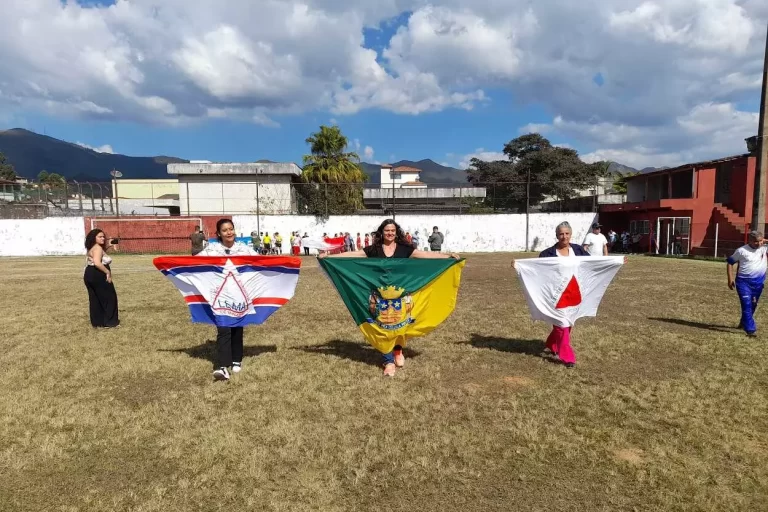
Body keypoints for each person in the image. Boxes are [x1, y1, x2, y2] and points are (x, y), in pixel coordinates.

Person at [319, 219, 460, 377]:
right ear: (382, 232)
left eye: (392, 230)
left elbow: (424, 254)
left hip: (401, 294)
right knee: (384, 327)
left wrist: (447, 255)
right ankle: (388, 361)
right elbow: (355, 254)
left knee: (400, 323)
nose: (390, 233)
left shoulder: (405, 248)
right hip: (380, 296)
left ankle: (398, 350)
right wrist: (330, 257)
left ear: (396, 232)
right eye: (387, 230)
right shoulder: (374, 249)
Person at [513, 221, 588, 368]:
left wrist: (615, 261)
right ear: (556, 235)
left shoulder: (579, 250)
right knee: (562, 324)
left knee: (568, 323)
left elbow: (593, 263)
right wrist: (519, 266)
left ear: (571, 235)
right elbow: (536, 270)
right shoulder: (547, 254)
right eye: (561, 234)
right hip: (555, 295)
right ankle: (568, 357)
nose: (564, 236)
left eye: (567, 233)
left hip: (573, 293)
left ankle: (552, 344)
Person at [198, 218, 259, 381]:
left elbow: (261, 262)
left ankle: (236, 359)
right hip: (219, 295)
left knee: (237, 327)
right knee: (223, 328)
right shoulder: (212, 249)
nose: (229, 232)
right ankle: (222, 366)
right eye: (224, 230)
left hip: (240, 294)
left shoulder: (244, 248)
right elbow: (196, 261)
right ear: (219, 234)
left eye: (231, 229)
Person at [727, 230, 768, 337]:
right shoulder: (741, 251)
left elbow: (762, 243)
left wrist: (764, 240)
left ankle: (744, 321)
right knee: (746, 305)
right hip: (743, 283)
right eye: (756, 241)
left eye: (760, 241)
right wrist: (730, 279)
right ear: (749, 240)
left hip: (758, 284)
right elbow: (730, 263)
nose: (758, 243)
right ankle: (750, 330)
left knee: (753, 306)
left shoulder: (764, 248)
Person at [84, 229, 120, 328]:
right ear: (94, 238)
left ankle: (97, 322)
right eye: (100, 237)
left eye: (103, 236)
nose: (103, 238)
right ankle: (110, 322)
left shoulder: (93, 247)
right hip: (98, 274)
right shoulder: (98, 249)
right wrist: (107, 272)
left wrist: (109, 246)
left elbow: (100, 255)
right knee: (110, 298)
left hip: (89, 274)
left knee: (95, 298)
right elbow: (97, 263)